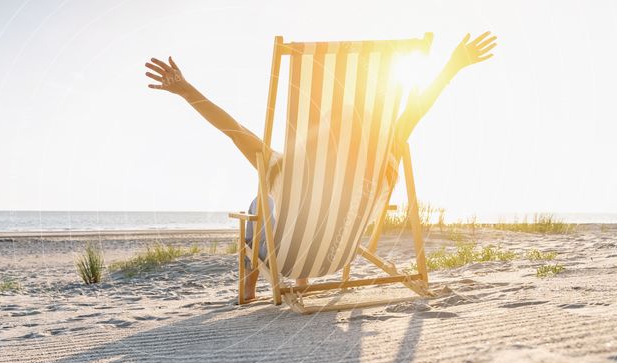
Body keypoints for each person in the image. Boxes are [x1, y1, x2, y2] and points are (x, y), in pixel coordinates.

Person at [145, 32, 497, 302]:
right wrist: (454, 64)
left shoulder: (283, 168)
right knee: (278, 207)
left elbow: (231, 128)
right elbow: (418, 106)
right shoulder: (381, 159)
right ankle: (302, 282)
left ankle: (250, 287)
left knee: (257, 206)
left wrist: (186, 90)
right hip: (334, 256)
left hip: (286, 258)